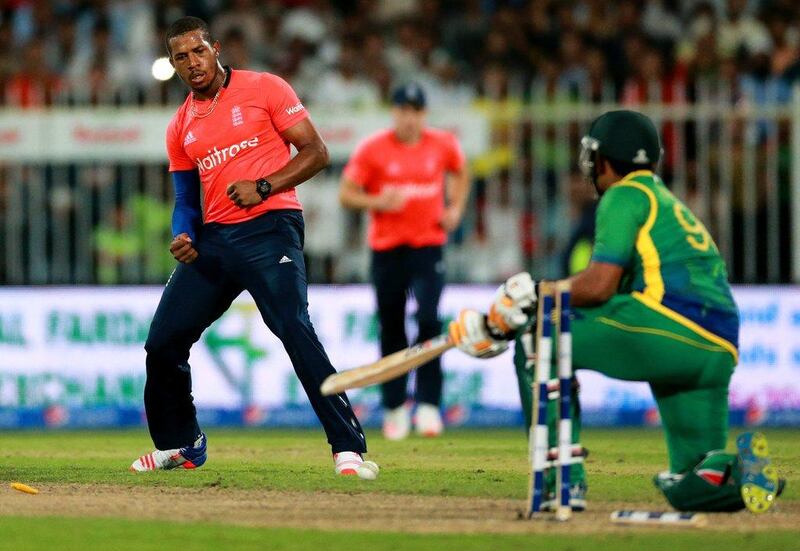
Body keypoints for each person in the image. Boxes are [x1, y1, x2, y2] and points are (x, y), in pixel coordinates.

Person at [448, 110, 783, 513]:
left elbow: (599, 284)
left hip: (671, 326)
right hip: (719, 348)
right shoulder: (665, 200)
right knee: (690, 483)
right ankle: (741, 469)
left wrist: (534, 298)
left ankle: (561, 481)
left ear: (602, 160)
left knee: (539, 339)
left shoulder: (625, 195)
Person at [130, 17, 372, 477]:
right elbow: (186, 200)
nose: (192, 63)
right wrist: (184, 234)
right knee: (162, 343)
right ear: (174, 65)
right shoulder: (180, 125)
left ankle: (348, 448)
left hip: (271, 227)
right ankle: (183, 445)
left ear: (215, 48)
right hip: (216, 241)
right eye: (181, 57)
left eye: (198, 51)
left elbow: (317, 153)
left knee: (292, 326)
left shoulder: (265, 88)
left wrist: (265, 185)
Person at [339, 83, 470, 440]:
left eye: (415, 111)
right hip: (388, 249)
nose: (409, 118)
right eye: (403, 110)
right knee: (392, 327)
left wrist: (455, 208)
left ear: (423, 114)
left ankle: (428, 406)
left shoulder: (442, 144)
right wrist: (377, 203)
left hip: (428, 247)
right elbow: (346, 194)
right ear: (394, 112)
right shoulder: (373, 149)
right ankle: (395, 409)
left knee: (429, 321)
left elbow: (461, 171)